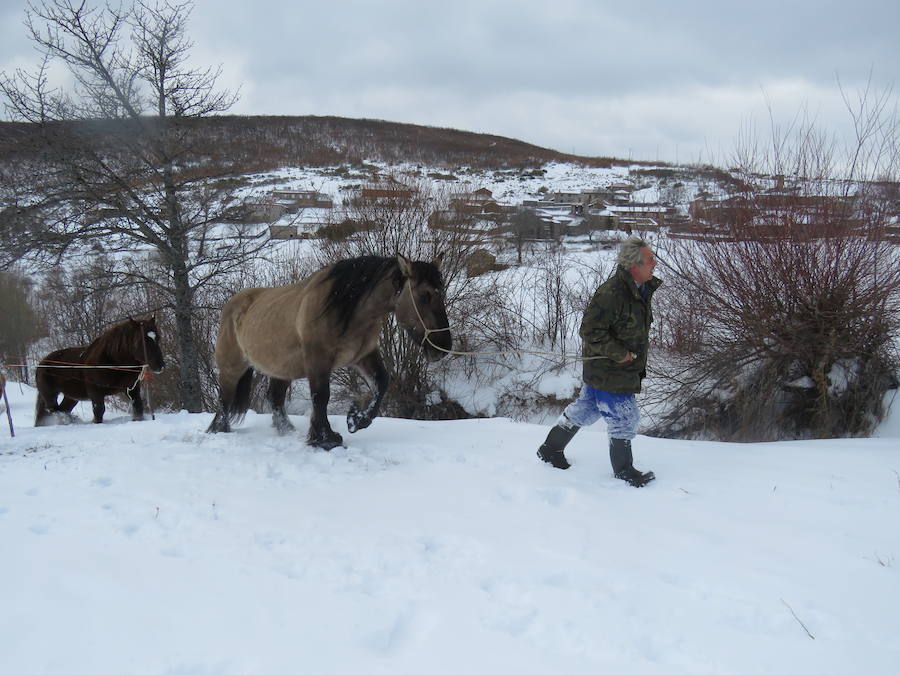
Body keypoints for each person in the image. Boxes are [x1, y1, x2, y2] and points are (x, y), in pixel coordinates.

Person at [537, 236, 661, 487]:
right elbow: (590, 330)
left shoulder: (639, 290)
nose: (655, 264)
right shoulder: (612, 293)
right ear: (634, 266)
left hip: (617, 370)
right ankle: (625, 471)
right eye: (650, 260)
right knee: (625, 418)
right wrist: (620, 354)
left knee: (586, 409)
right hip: (611, 370)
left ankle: (550, 449)